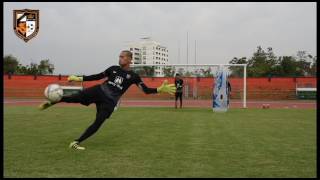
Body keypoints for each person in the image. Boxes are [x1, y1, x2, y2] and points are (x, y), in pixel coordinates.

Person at [38, 50, 176, 150]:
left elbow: (145, 90)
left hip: (109, 102)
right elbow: (97, 76)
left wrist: (159, 89)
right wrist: (78, 78)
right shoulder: (113, 68)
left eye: (122, 57)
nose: (119, 58)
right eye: (119, 56)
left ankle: (76, 142)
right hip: (99, 91)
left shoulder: (134, 76)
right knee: (75, 97)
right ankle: (53, 101)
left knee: (98, 123)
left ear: (129, 60)